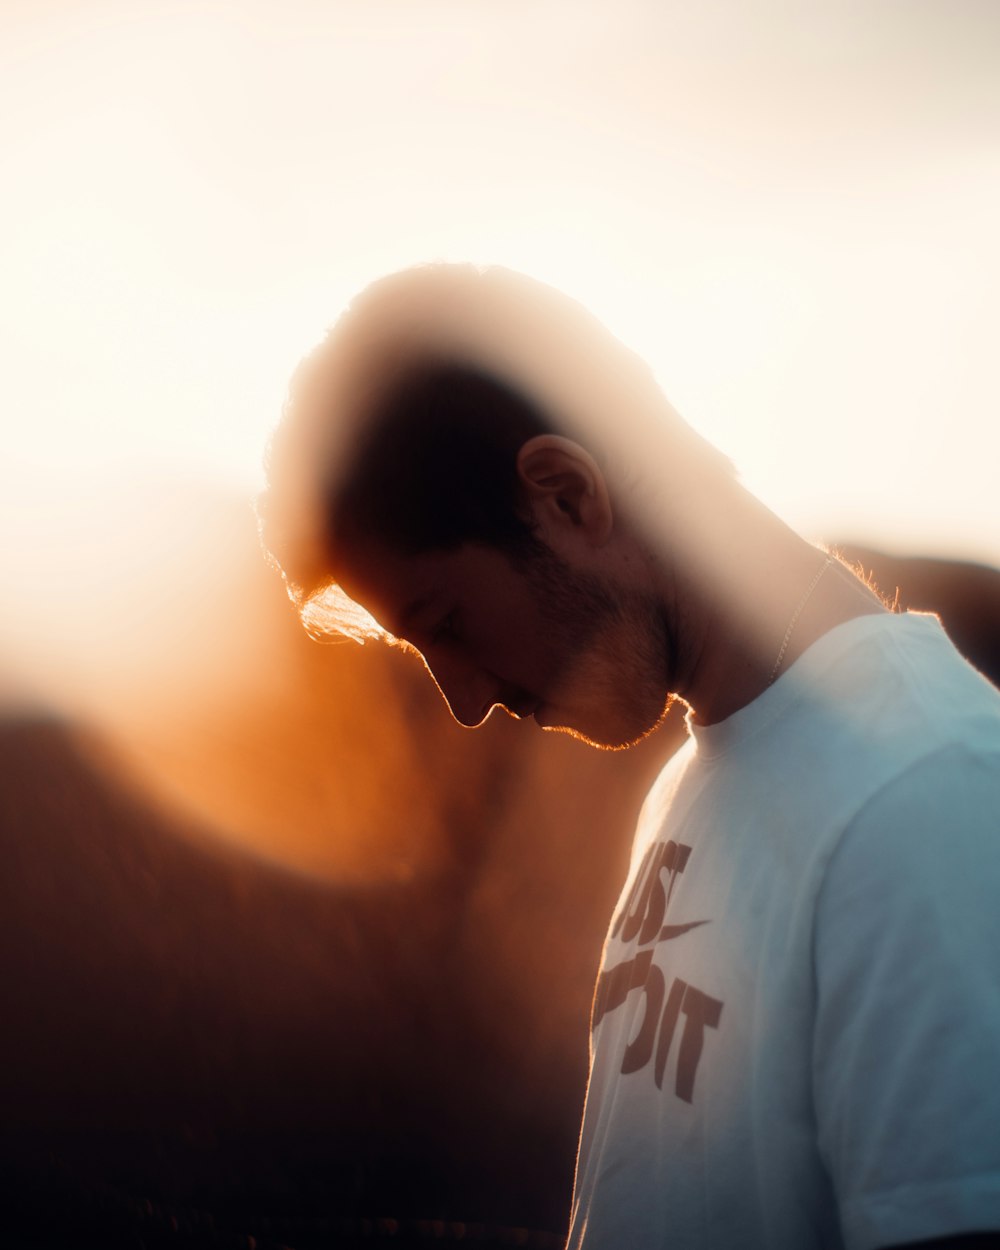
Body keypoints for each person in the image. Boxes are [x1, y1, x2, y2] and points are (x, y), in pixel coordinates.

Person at [259, 263, 1000, 1250]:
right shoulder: (694, 779)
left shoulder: (923, 794)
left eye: (447, 623)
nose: (466, 701)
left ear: (566, 493)